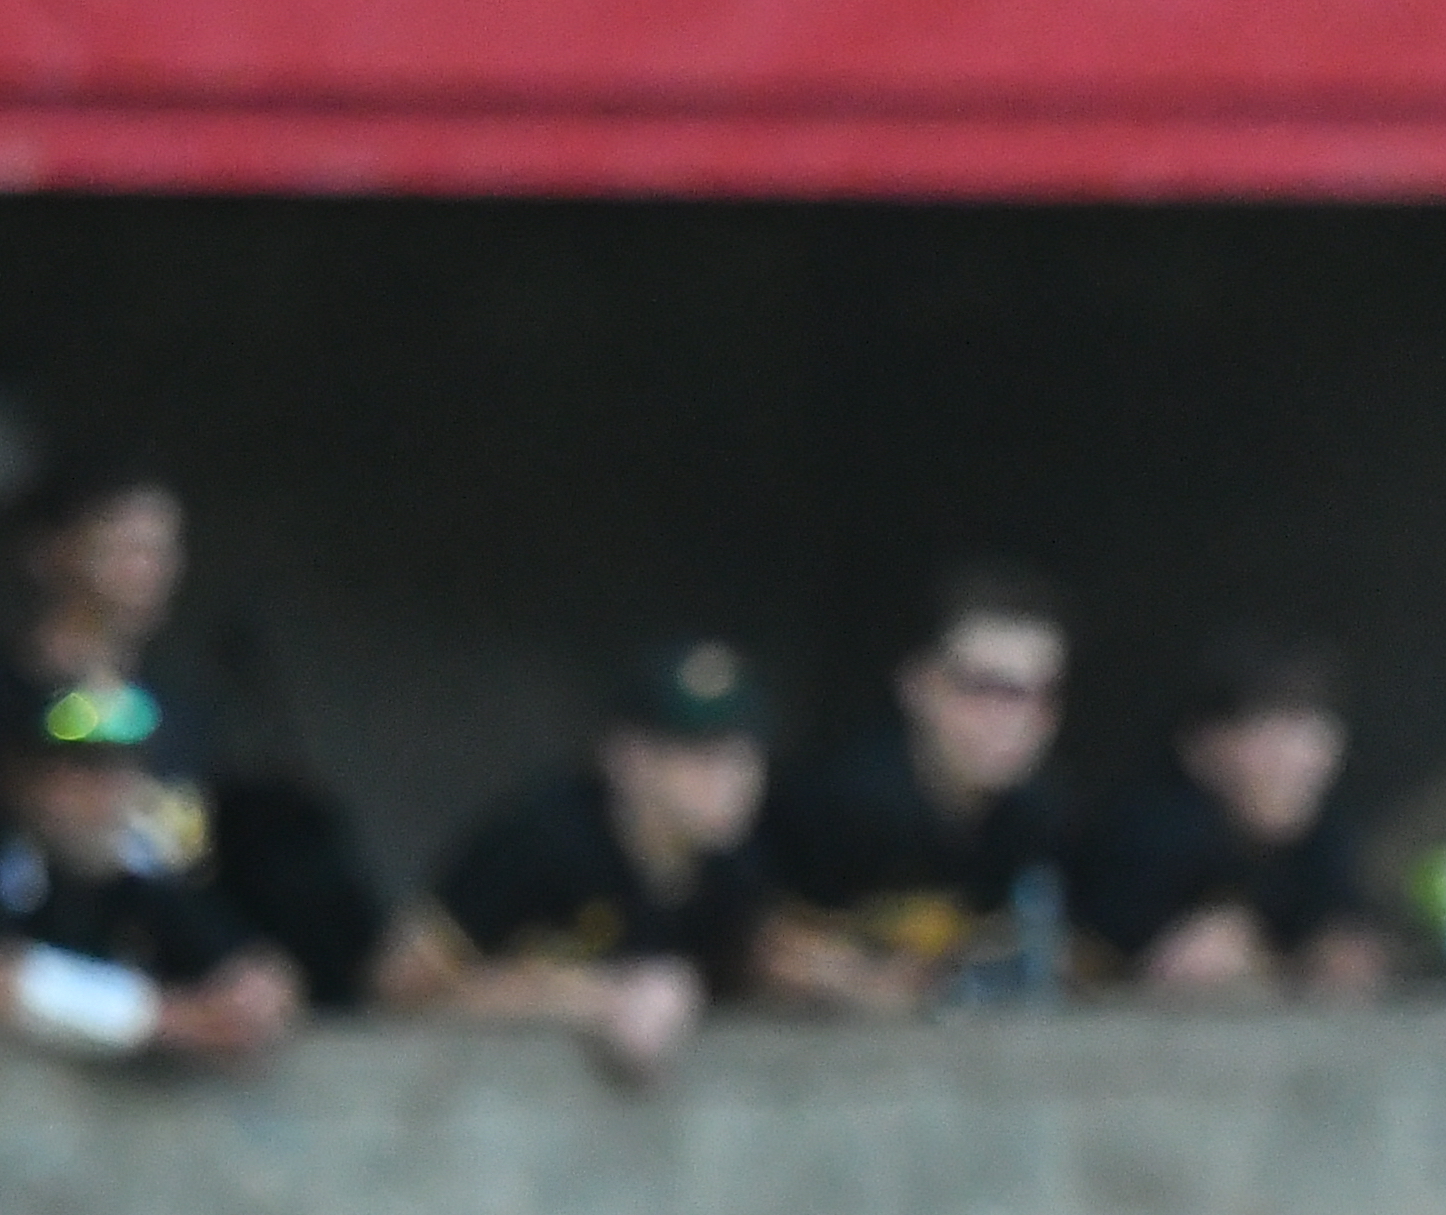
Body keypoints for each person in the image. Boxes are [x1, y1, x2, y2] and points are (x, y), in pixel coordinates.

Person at [13, 449, 383, 1008]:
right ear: (53, 551)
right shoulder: (13, 701)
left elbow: (181, 875)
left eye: (163, 550)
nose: (149, 570)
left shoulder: (185, 711)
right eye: (126, 547)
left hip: (174, 986)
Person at [371, 641, 774, 1083]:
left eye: (743, 755)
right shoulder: (542, 840)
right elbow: (398, 988)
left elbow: (755, 975)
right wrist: (596, 999)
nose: (732, 780)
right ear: (629, 759)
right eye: (702, 757)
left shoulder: (735, 863)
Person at [756, 568, 1075, 1013]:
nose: (1013, 719)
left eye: (1039, 694)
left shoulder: (1033, 810)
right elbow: (753, 943)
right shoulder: (842, 800)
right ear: (918, 685)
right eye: (983, 688)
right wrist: (857, 982)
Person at [1073, 630, 1405, 1002]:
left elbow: (1347, 945)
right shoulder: (1149, 833)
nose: (1298, 761)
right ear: (1201, 748)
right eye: (1271, 735)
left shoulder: (1326, 838)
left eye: (1314, 733)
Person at [0, 671, 298, 1068]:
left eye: (122, 768)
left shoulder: (149, 886)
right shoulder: (13, 874)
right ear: (31, 782)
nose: (107, 791)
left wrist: (253, 999)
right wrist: (161, 1018)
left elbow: (261, 975)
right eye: (84, 769)